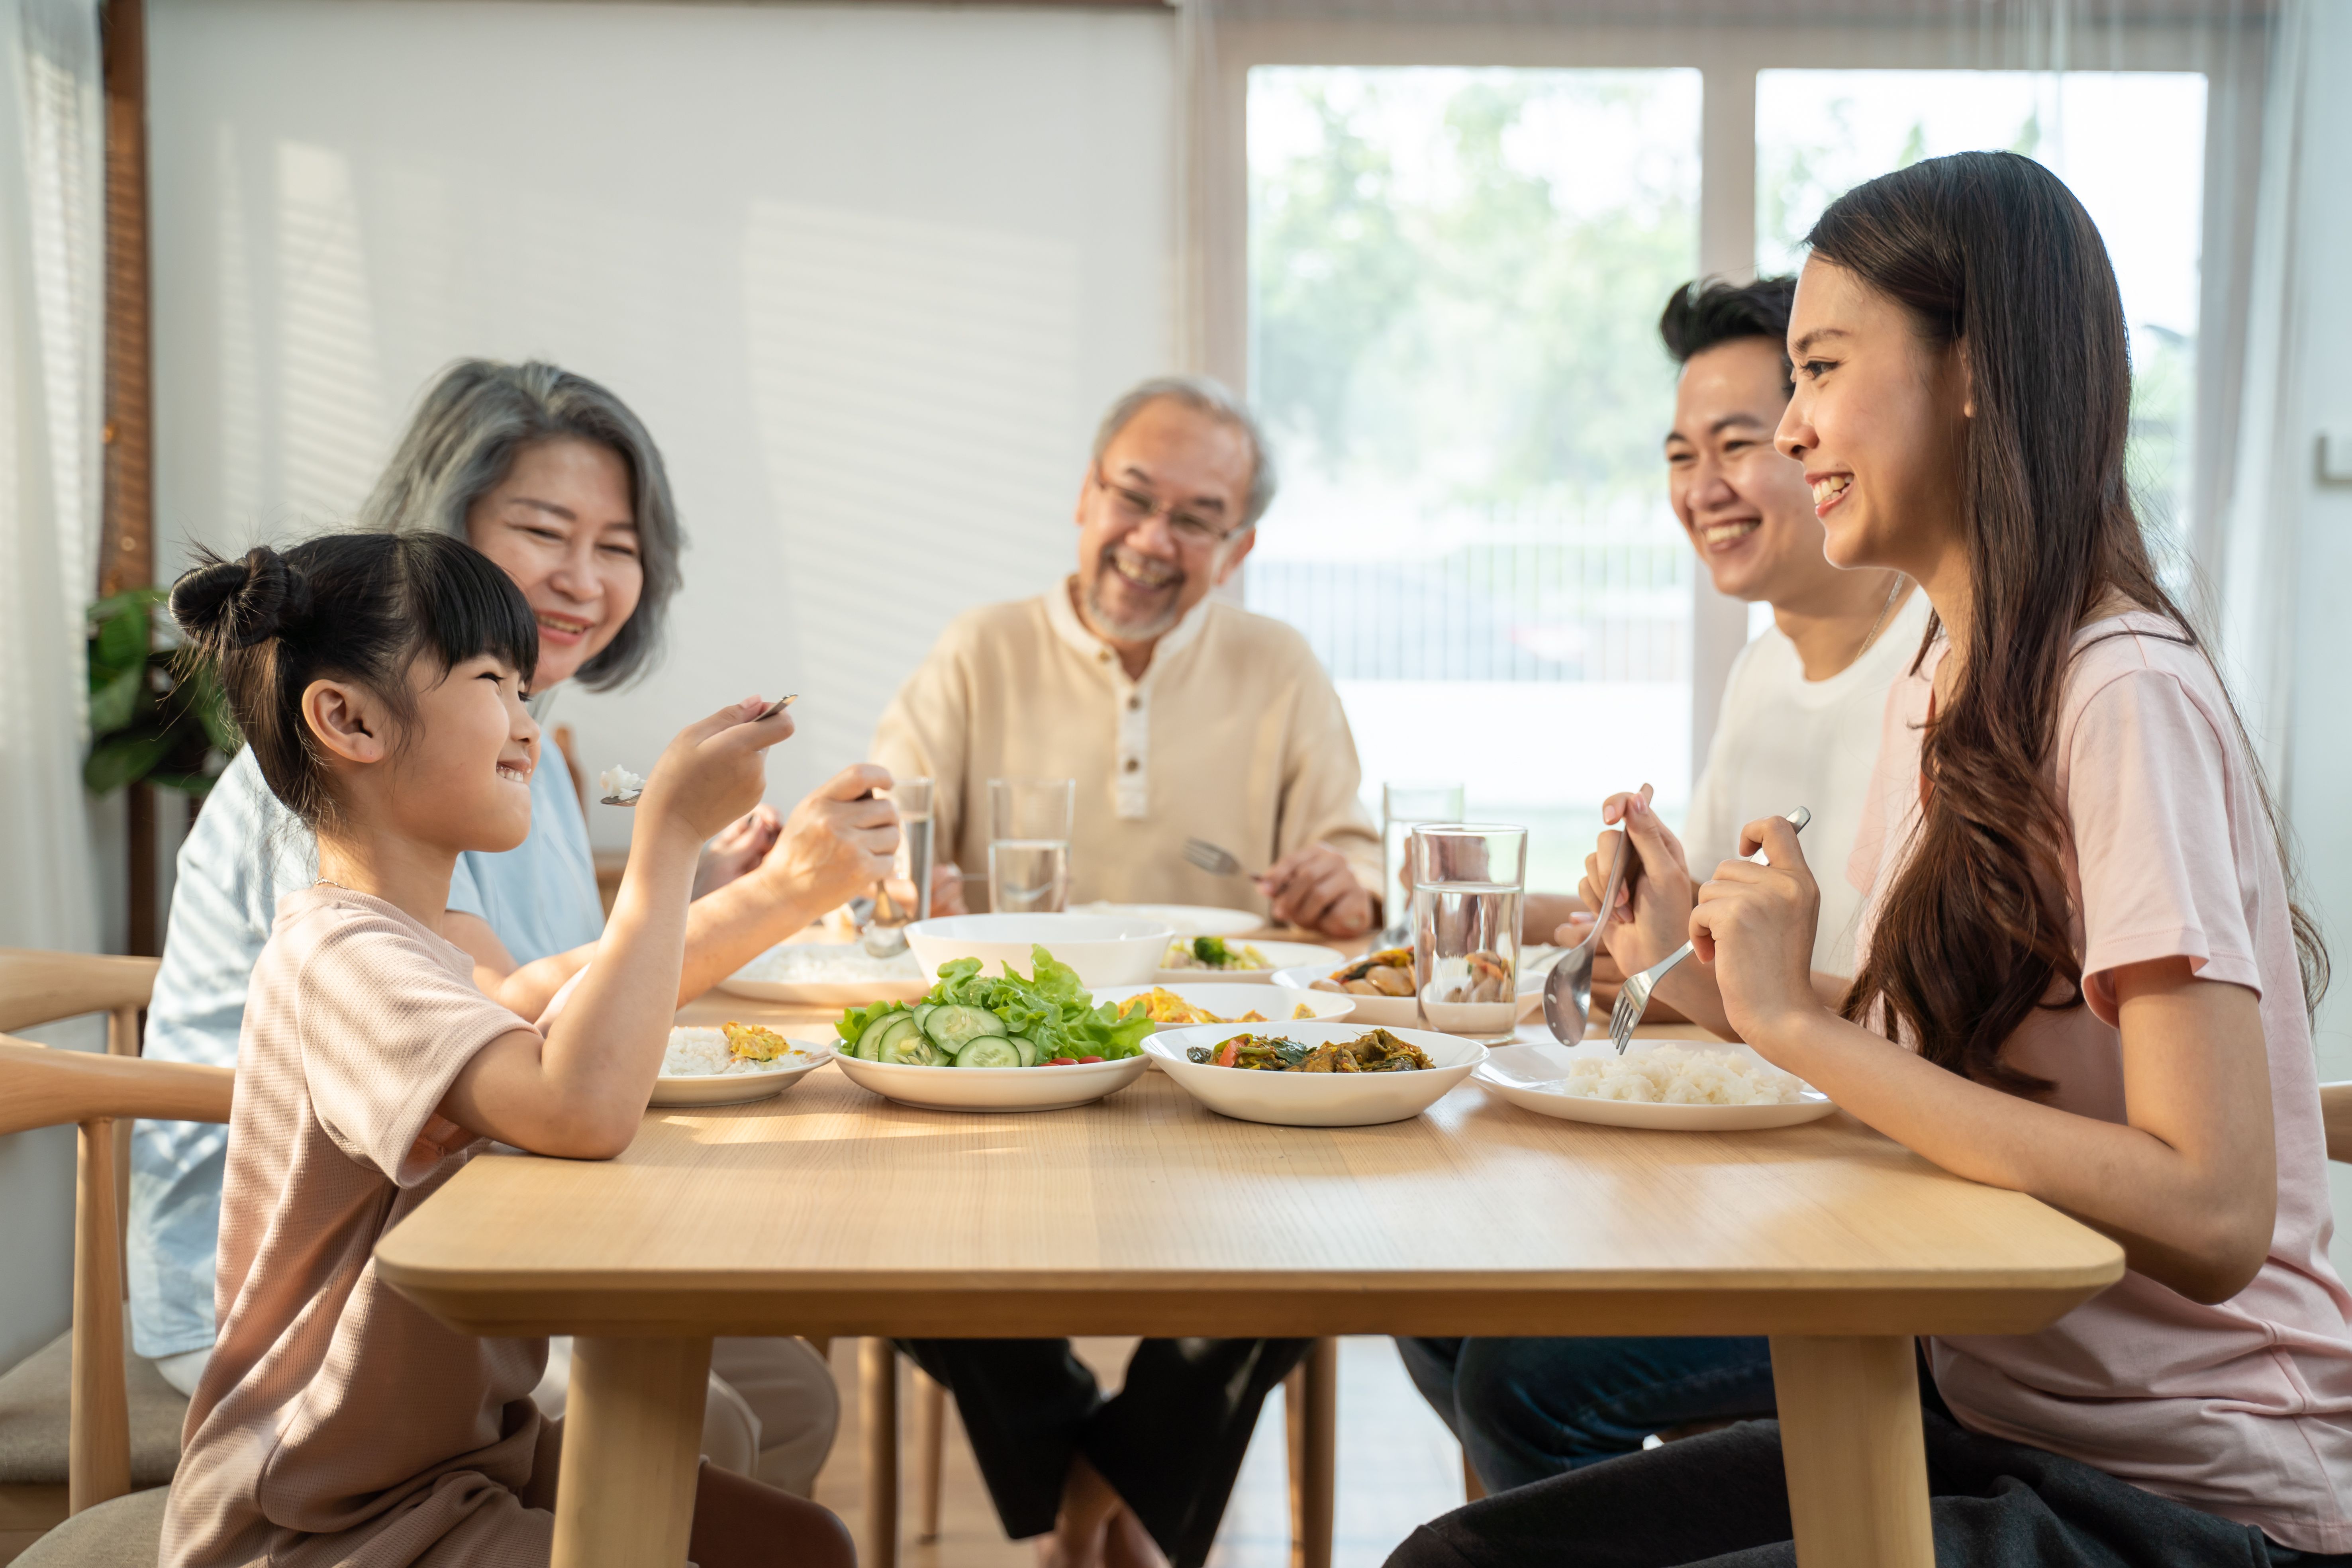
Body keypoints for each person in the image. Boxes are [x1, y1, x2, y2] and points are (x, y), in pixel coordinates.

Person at [1389, 151, 2352, 1568]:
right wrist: (1700, 969)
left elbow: (2210, 1211)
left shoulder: (2116, 687)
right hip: (1988, 1406)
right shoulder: (1948, 673)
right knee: (1457, 1558)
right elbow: (1928, 1055)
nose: (1789, 432)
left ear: (1975, 369)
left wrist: (1781, 1015)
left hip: (2192, 1490)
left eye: (1821, 370)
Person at [132, 361, 891, 1494]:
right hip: (320, 1301)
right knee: (710, 1421)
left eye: (619, 545)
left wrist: (698, 884)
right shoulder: (326, 795)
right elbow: (520, 1043)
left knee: (786, 1397)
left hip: (484, 1212)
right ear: (443, 533)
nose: (585, 580)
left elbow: (524, 987)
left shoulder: (516, 761)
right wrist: (751, 892)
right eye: (544, 530)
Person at [1404, 276, 1931, 1490]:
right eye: (1681, 452)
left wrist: (1690, 963)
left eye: (1743, 442)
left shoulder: (1935, 666)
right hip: (1754, 1160)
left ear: (1822, 435)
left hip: (1871, 1188)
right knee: (1436, 1291)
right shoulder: (1760, 674)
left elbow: (1894, 1014)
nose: (1705, 485)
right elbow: (1703, 969)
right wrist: (1631, 920)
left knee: (1523, 1376)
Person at [870, 375, 1381, 937]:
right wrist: (903, 893)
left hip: (1222, 1016)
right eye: (1134, 499)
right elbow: (884, 836)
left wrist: (1346, 890)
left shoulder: (1280, 663)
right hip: (1017, 1009)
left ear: (1236, 552)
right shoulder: (980, 648)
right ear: (1087, 493)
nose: (1152, 541)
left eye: (1193, 521)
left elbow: (1356, 859)